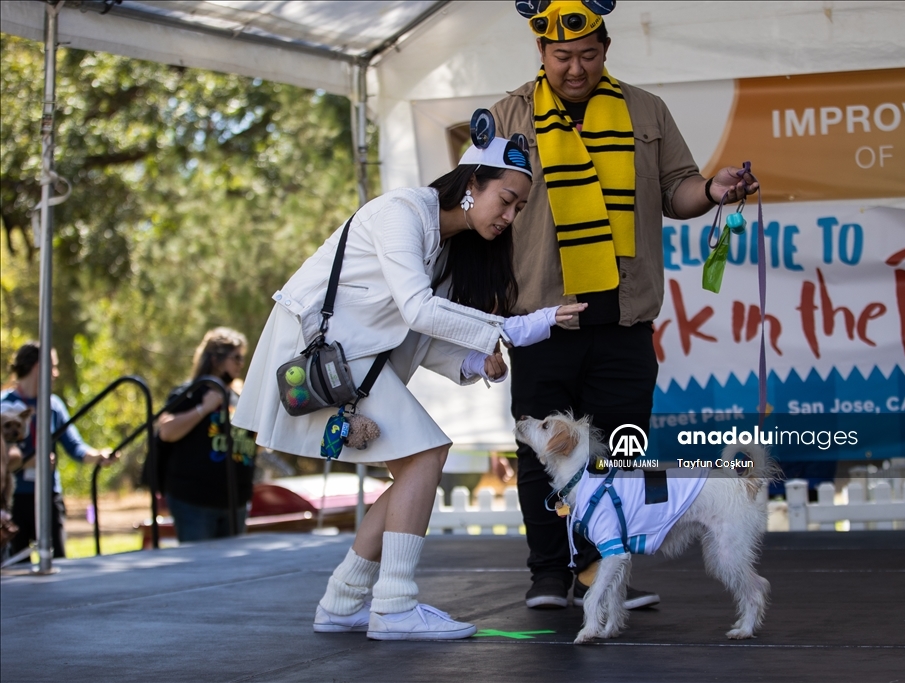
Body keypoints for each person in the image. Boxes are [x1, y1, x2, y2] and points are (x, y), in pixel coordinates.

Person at [234, 121, 585, 641]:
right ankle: (394, 606)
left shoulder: (445, 246)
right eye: (506, 200)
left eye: (518, 209)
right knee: (426, 455)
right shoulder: (400, 213)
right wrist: (518, 327)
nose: (510, 217)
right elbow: (417, 310)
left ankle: (343, 601)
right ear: (471, 184)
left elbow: (417, 331)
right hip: (316, 357)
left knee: (416, 465)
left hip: (351, 363)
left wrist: (472, 360)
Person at [491, 0, 760, 609]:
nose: (576, 68)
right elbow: (484, 212)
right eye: (562, 57)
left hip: (625, 317)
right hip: (543, 316)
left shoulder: (646, 109)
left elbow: (679, 189)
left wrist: (714, 190)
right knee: (541, 452)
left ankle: (602, 573)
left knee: (624, 450)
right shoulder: (507, 115)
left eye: (588, 55)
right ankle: (547, 575)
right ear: (541, 54)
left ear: (606, 51)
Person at [0, 342, 118, 560]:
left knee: (57, 561)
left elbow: (75, 446)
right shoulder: (4, 406)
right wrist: (26, 462)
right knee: (16, 565)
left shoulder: (53, 405)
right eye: (52, 366)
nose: (56, 373)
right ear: (38, 367)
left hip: (48, 496)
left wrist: (99, 456)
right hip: (14, 500)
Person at [156, 327, 257, 543]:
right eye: (236, 358)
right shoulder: (193, 392)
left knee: (232, 570)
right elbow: (166, 431)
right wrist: (203, 408)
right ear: (215, 359)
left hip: (235, 499)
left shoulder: (240, 396)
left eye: (242, 358)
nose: (241, 364)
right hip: (196, 502)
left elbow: (254, 442)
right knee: (201, 569)